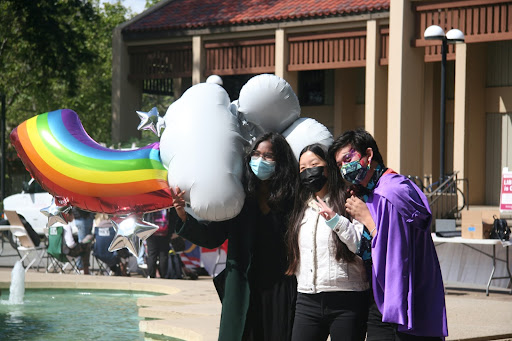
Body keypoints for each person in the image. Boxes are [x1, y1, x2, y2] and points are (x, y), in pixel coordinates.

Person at [170, 132, 298, 341]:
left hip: (280, 290)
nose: (260, 160)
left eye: (268, 156)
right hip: (242, 288)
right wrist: (184, 216)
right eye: (256, 154)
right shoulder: (239, 199)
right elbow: (212, 237)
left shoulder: (292, 201)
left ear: (281, 162)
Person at [330, 129, 448, 340]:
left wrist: (367, 219)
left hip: (400, 302)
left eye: (348, 159)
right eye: (339, 165)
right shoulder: (372, 192)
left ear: (368, 154)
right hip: (381, 297)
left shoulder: (391, 192)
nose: (344, 167)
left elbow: (396, 256)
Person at [286, 143, 369, 341]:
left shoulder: (349, 199)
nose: (308, 172)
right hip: (307, 299)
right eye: (303, 169)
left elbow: (360, 245)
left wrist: (336, 220)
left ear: (328, 167)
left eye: (314, 164)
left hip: (347, 298)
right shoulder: (302, 207)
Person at [144, 209, 171, 278]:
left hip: (151, 231)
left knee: (152, 255)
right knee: (163, 255)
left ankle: (151, 275)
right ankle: (163, 275)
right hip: (165, 232)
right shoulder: (166, 203)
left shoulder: (151, 202)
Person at [71, 207, 95, 273]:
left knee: (86, 244)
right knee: (83, 245)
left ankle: (83, 267)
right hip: (82, 217)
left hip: (87, 216)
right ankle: (81, 267)